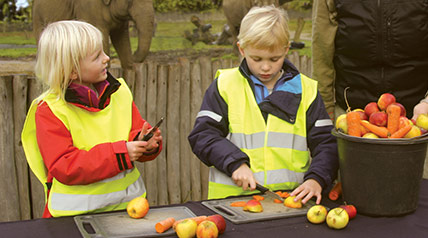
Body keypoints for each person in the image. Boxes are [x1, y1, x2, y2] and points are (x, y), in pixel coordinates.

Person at [188, 5, 338, 204]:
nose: (266, 67)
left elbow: (326, 144)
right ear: (242, 49)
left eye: (274, 59)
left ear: (286, 49)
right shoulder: (224, 85)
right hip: (231, 203)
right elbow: (203, 135)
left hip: (290, 202)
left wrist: (316, 179)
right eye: (256, 58)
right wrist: (235, 164)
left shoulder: (307, 90)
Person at [21, 20, 162, 218]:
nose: (107, 58)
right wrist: (122, 153)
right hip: (73, 218)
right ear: (71, 70)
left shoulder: (119, 93)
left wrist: (146, 143)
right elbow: (64, 165)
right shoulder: (50, 110)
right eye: (97, 56)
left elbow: (133, 135)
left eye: (104, 52)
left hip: (127, 211)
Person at [311, 0, 428, 178]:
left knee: (416, 196)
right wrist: (325, 112)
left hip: (416, 121)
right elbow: (322, 54)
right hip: (353, 119)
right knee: (353, 196)